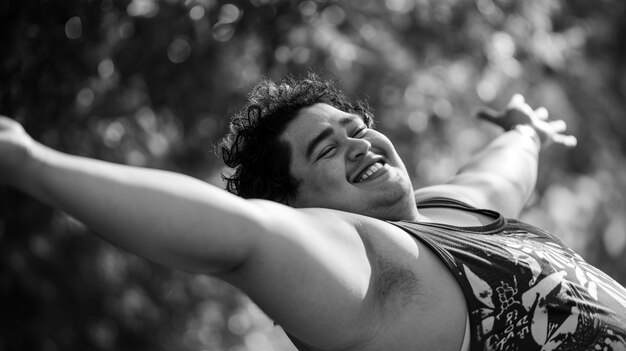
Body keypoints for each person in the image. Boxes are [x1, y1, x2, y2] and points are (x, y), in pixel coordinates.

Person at [0, 74, 624, 351]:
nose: (361, 143)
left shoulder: (446, 213)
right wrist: (30, 162)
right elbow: (240, 238)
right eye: (327, 149)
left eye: (359, 128)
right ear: (297, 206)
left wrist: (526, 131)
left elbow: (497, 172)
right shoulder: (364, 273)